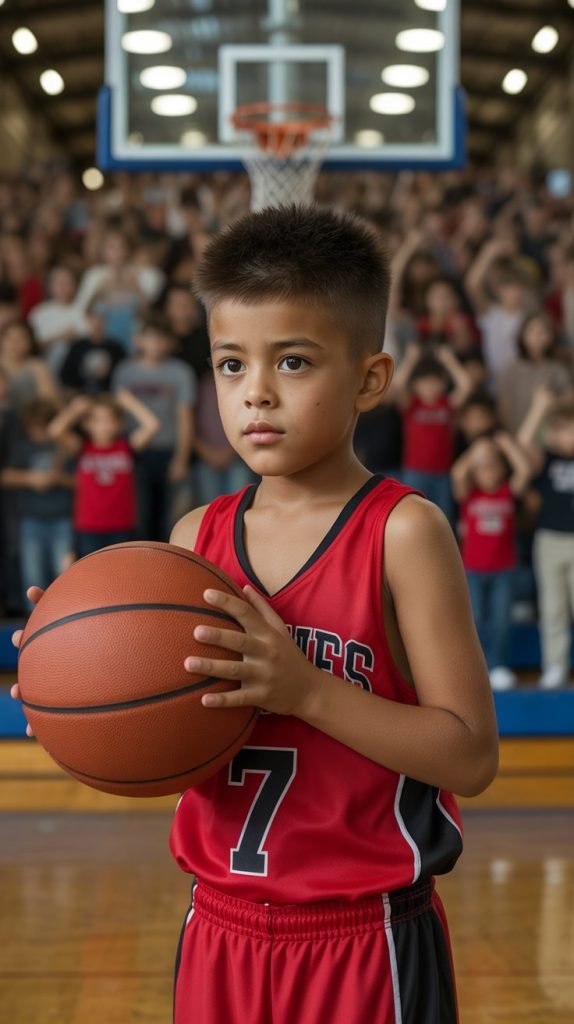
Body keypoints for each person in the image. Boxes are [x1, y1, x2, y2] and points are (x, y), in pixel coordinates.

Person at [11, 205, 498, 1024]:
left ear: (370, 380)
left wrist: (306, 691)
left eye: (295, 361)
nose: (257, 393)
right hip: (218, 930)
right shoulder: (190, 541)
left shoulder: (403, 531)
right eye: (230, 365)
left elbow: (471, 755)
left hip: (364, 935)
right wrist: (82, 693)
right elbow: (182, 740)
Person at [451, 433, 532, 690]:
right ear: (474, 472)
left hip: (503, 571)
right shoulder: (469, 494)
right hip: (473, 570)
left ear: (502, 470)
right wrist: (477, 450)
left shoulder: (508, 492)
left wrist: (507, 446)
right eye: (482, 468)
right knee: (474, 619)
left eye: (492, 467)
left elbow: (525, 470)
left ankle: (498, 665)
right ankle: (475, 667)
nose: (487, 472)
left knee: (500, 620)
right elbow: (456, 473)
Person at [111, 315, 196, 540]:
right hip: (134, 452)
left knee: (171, 518)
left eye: (161, 338)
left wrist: (181, 458)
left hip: (168, 449)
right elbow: (115, 415)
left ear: (170, 342)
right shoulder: (125, 371)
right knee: (140, 515)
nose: (155, 344)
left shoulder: (181, 372)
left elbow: (185, 417)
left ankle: (165, 569)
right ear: (138, 340)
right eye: (150, 338)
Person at [47, 390, 160, 558]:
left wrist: (129, 403)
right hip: (89, 526)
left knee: (121, 574)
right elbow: (54, 430)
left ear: (119, 424)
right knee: (93, 576)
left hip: (122, 525)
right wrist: (74, 410)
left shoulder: (126, 447)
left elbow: (153, 425)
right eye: (98, 420)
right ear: (87, 424)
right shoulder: (82, 448)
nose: (104, 425)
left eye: (110, 420)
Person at [518, 388, 574, 689]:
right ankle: (555, 666)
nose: (567, 437)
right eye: (562, 431)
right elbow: (524, 442)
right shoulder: (548, 459)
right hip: (550, 540)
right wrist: (540, 408)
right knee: (553, 608)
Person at [0, 398, 74, 605]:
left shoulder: (63, 445)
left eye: (43, 428)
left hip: (62, 519)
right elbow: (5, 476)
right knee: (33, 575)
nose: (39, 434)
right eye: (34, 429)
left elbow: (81, 482)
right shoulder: (23, 448)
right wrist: (31, 478)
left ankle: (65, 613)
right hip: (31, 520)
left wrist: (59, 478)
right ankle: (32, 621)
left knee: (64, 574)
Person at [391, 342, 473, 521]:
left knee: (442, 519)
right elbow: (397, 385)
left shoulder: (446, 404)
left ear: (443, 384)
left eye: (435, 381)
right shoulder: (412, 404)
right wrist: (411, 360)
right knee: (412, 518)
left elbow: (466, 386)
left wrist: (450, 360)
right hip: (415, 472)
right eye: (424, 382)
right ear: (416, 385)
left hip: (443, 473)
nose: (430, 386)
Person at [497, 313, 572, 435]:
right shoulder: (510, 369)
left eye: (543, 332)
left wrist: (551, 402)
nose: (537, 336)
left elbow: (569, 400)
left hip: (548, 435)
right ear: (523, 335)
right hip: (517, 432)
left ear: (550, 337)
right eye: (532, 331)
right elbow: (504, 408)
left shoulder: (557, 368)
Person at [59, 305, 126, 395]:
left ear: (106, 322)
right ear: (88, 321)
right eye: (94, 320)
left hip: (107, 395)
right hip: (80, 394)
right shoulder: (77, 346)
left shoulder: (116, 348)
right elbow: (66, 375)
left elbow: (122, 375)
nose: (97, 324)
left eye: (100, 320)